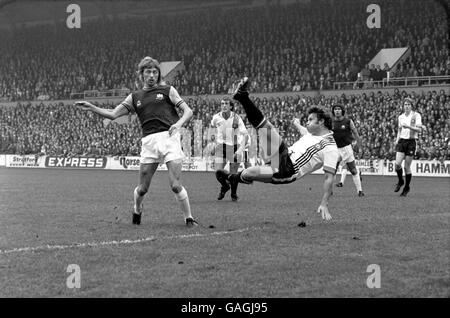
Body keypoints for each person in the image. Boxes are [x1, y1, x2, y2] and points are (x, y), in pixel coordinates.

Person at [75, 56, 197, 226]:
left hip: (170, 139)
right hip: (149, 142)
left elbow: (188, 111)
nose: (152, 75)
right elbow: (113, 114)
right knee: (142, 188)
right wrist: (92, 107)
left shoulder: (168, 90)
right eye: (148, 72)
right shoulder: (135, 97)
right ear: (142, 75)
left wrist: (178, 124)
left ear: (158, 74)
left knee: (176, 186)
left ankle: (189, 219)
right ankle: (137, 209)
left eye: (155, 72)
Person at [217, 77, 340, 221]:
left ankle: (232, 179)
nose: (308, 122)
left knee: (254, 163)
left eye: (310, 119)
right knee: (262, 134)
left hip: (287, 170)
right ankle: (243, 97)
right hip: (282, 157)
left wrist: (324, 203)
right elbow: (303, 130)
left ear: (321, 122)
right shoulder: (312, 133)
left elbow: (329, 178)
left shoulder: (331, 148)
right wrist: (297, 124)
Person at [210, 97, 249, 201]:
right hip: (221, 146)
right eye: (222, 104)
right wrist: (213, 144)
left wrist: (240, 150)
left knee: (233, 174)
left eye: (226, 104)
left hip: (235, 147)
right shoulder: (216, 118)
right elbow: (212, 129)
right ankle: (225, 186)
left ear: (231, 106)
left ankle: (233, 194)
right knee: (218, 171)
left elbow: (246, 136)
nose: (224, 106)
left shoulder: (237, 118)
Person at [331, 104, 364, 197]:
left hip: (346, 148)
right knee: (332, 170)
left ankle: (360, 191)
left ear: (342, 111)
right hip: (335, 149)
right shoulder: (330, 122)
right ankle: (330, 191)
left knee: (353, 170)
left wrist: (359, 146)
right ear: (333, 111)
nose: (337, 111)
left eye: (339, 109)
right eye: (335, 109)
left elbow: (356, 133)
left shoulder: (348, 121)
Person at [394, 97, 424, 196]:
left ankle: (406, 187)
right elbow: (399, 129)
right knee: (397, 164)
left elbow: (419, 130)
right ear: (403, 106)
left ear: (411, 106)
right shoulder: (400, 117)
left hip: (411, 142)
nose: (406, 106)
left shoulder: (416, 115)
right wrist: (397, 139)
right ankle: (400, 181)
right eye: (405, 105)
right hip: (402, 141)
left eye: (408, 105)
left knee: (407, 167)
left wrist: (409, 126)